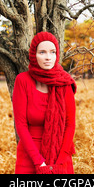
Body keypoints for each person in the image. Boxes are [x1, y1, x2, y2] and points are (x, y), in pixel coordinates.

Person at [12, 31, 77, 174]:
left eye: (52, 52)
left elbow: (70, 124)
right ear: (34, 56)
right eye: (42, 52)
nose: (48, 57)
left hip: (60, 155)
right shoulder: (22, 81)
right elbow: (21, 125)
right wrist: (39, 163)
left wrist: (59, 163)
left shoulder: (64, 82)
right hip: (29, 157)